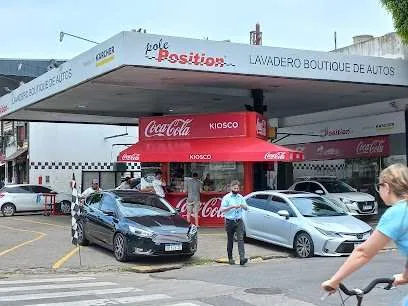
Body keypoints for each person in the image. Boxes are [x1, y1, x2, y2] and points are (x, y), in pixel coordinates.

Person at [322, 163, 408, 293]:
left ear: (387, 187)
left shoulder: (398, 212)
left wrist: (334, 281)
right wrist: (405, 276)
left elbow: (363, 253)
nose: (379, 191)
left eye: (379, 186)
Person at [220, 180, 248, 266]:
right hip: (230, 221)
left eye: (237, 188)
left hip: (239, 220)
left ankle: (242, 258)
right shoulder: (227, 197)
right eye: (234, 188)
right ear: (231, 188)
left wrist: (243, 206)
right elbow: (222, 209)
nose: (236, 189)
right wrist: (231, 207)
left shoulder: (240, 197)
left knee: (240, 239)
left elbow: (246, 208)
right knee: (230, 240)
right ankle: (230, 258)